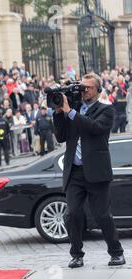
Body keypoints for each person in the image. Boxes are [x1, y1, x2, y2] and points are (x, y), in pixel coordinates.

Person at [53, 73, 125, 268]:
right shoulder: (72, 110)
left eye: (88, 88)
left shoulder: (106, 110)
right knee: (71, 214)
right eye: (82, 87)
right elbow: (60, 136)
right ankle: (76, 254)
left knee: (102, 215)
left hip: (96, 172)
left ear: (98, 91)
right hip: (75, 172)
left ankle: (116, 252)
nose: (84, 91)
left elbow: (94, 128)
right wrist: (59, 111)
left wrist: (71, 113)